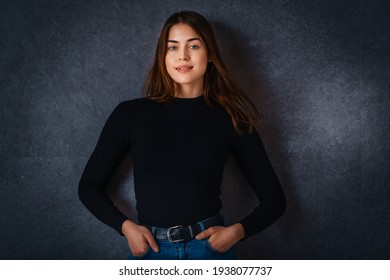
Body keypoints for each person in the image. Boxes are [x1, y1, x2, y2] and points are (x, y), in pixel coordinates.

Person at [78, 11, 286, 260]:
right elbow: (89, 187)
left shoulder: (231, 118)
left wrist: (236, 233)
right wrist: (126, 227)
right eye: (172, 47)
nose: (183, 56)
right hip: (152, 251)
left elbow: (275, 200)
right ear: (162, 56)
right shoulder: (131, 114)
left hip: (209, 251)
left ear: (210, 55)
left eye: (194, 45)